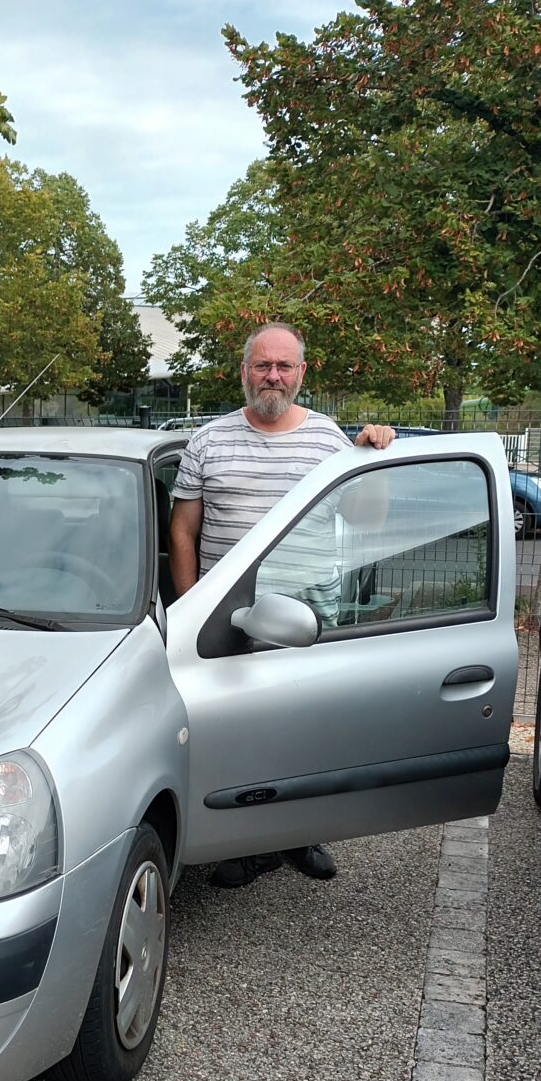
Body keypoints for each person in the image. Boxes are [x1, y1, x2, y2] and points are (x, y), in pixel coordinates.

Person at [168, 321, 394, 889]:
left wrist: (371, 460)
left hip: (310, 615)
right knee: (237, 732)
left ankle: (299, 834)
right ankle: (245, 843)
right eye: (262, 365)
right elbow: (182, 534)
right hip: (230, 617)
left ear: (301, 373)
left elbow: (369, 520)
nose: (272, 375)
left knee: (305, 729)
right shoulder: (209, 441)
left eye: (283, 366)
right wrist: (194, 607)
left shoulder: (328, 441)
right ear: (243, 371)